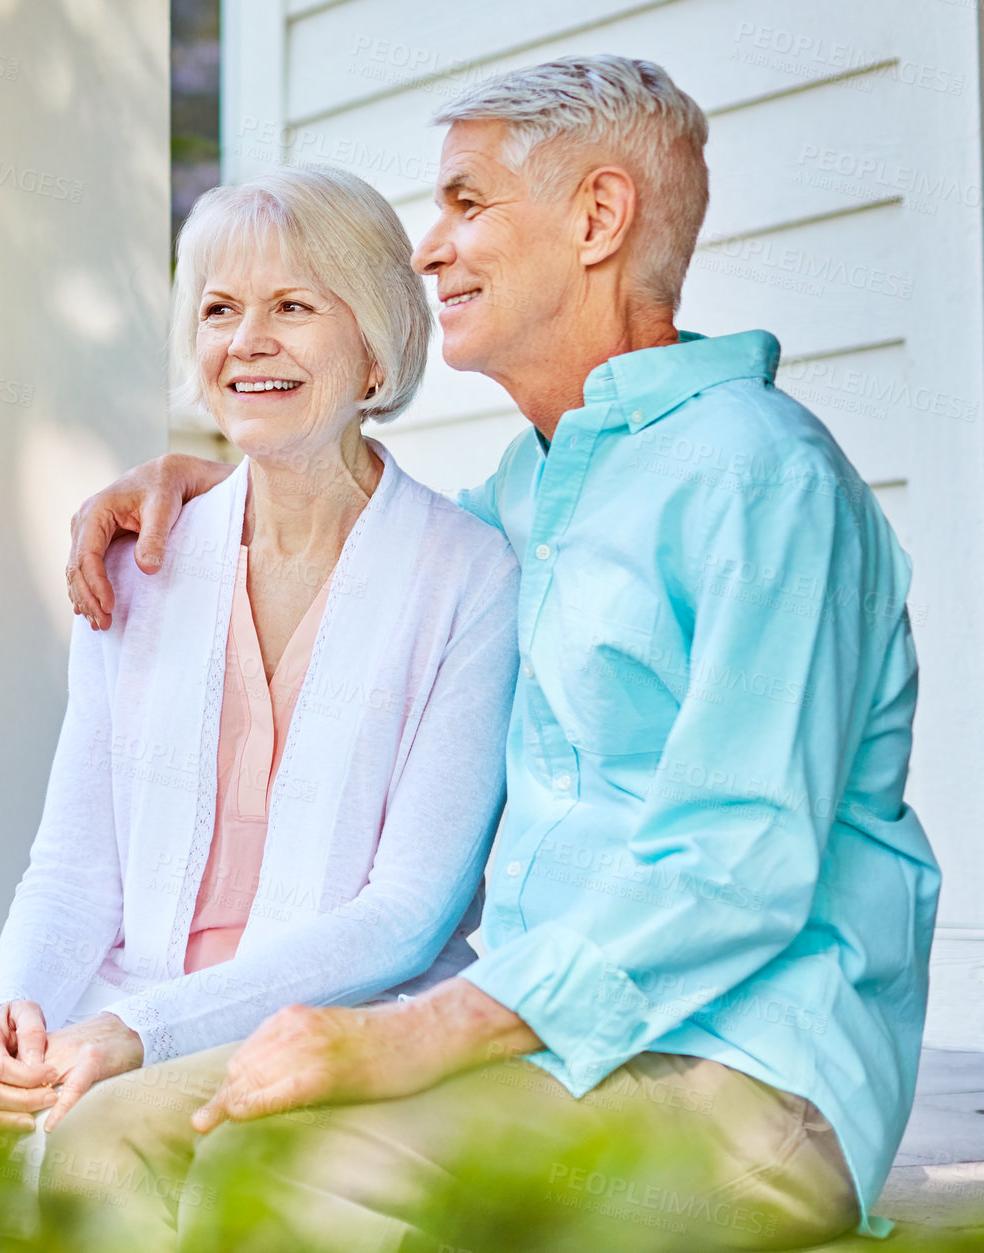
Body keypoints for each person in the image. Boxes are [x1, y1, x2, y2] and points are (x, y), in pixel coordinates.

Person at [52, 55, 939, 1252]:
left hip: (739, 1075)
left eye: (467, 203)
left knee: (281, 1168)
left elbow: (736, 861)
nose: (428, 249)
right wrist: (218, 484)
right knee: (110, 1126)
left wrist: (412, 1032)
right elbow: (372, 546)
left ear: (596, 218)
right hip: (547, 1051)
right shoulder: (533, 490)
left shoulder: (758, 477)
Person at [0, 165, 521, 1233]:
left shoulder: (467, 574)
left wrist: (140, 1034)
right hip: (107, 1022)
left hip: (324, 1031)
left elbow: (405, 913)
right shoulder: (139, 560)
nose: (247, 340)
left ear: (377, 347)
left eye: (292, 305)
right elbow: (71, 866)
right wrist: (10, 1023)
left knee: (114, 1158)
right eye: (217, 309)